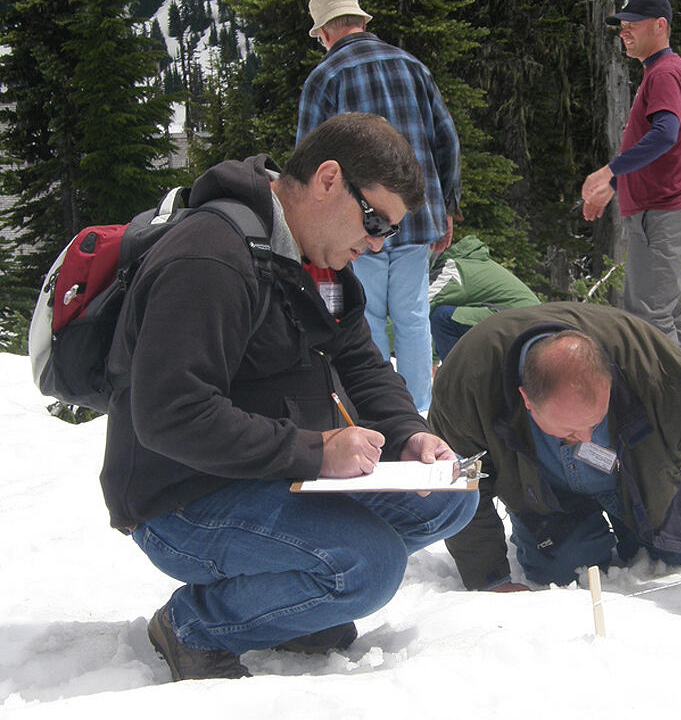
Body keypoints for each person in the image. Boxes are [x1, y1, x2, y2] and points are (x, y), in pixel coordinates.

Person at [101, 113, 478, 681]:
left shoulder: (315, 260)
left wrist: (410, 433)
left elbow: (359, 361)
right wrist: (314, 451)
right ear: (328, 180)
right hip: (181, 498)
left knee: (446, 497)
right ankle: (192, 627)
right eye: (376, 220)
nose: (378, 243)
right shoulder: (210, 257)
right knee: (367, 567)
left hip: (268, 472)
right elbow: (170, 415)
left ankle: (293, 605)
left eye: (391, 232)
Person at [428, 302, 681, 592]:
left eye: (596, 421)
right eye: (570, 430)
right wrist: (490, 578)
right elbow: (459, 480)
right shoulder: (468, 383)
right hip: (547, 495)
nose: (587, 438)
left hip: (639, 472)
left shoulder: (645, 361)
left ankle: (673, 488)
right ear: (526, 400)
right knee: (563, 572)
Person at [296, 0, 461, 412]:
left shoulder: (326, 77)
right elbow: (446, 139)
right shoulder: (412, 66)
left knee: (364, 316)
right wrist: (447, 206)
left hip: (356, 222)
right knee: (412, 317)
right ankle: (418, 411)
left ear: (325, 33)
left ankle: (374, 409)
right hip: (417, 216)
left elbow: (308, 157)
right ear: (363, 22)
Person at [581, 0, 681, 357]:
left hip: (660, 214)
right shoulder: (660, 72)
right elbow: (658, 147)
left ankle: (670, 392)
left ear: (660, 26)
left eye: (633, 23)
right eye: (621, 25)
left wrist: (609, 171)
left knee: (651, 317)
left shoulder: (665, 73)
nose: (624, 31)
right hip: (662, 213)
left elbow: (665, 135)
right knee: (668, 313)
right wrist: (615, 182)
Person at [428, 234, 540, 361]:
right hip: (529, 322)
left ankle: (457, 372)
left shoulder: (453, 268)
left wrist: (432, 360)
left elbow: (422, 305)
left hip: (520, 323)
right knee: (450, 315)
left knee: (442, 317)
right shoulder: (468, 261)